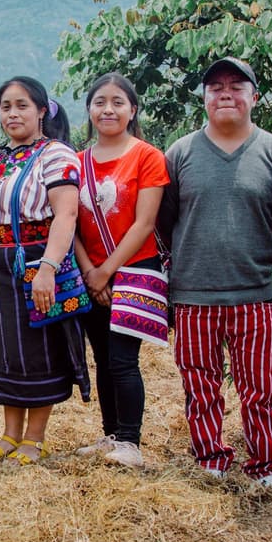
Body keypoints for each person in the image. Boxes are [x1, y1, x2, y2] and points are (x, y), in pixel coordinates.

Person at [157, 56, 272, 498]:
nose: (225, 93)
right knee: (199, 385)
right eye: (215, 86)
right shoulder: (180, 153)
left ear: (254, 97)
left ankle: (267, 465)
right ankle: (210, 460)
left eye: (236, 86)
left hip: (253, 293)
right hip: (194, 295)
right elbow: (165, 222)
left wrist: (257, 260)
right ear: (203, 98)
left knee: (259, 387)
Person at [0, 76, 90, 466]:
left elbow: (66, 213)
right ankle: (9, 432)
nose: (12, 114)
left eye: (22, 106)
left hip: (34, 259)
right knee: (1, 347)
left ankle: (35, 437)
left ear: (42, 111)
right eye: (6, 107)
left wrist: (48, 267)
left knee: (38, 347)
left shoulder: (57, 155)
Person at [73, 73, 169, 468]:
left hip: (135, 270)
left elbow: (144, 223)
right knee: (101, 358)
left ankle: (130, 441)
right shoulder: (76, 162)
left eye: (117, 102)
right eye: (99, 102)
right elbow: (67, 223)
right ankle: (110, 433)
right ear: (89, 110)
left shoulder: (147, 156)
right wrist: (89, 271)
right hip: (90, 271)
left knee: (123, 359)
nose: (107, 109)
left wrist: (105, 272)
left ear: (132, 110)